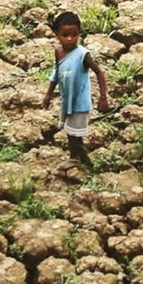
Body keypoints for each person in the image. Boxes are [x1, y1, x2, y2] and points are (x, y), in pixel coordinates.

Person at [42, 11, 110, 171]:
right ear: (57, 35)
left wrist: (103, 97)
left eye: (74, 34)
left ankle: (77, 159)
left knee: (74, 134)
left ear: (79, 33)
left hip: (80, 102)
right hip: (67, 101)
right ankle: (83, 159)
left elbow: (99, 72)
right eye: (65, 35)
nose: (70, 39)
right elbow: (56, 74)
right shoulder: (58, 52)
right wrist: (48, 95)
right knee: (70, 131)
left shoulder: (82, 54)